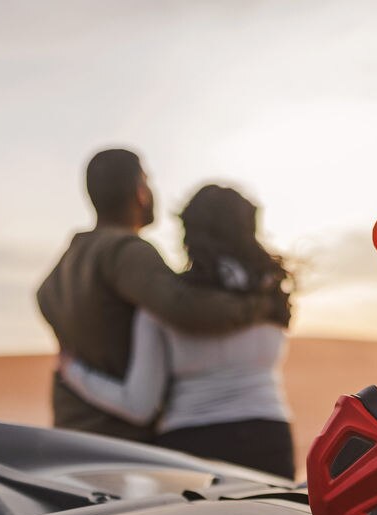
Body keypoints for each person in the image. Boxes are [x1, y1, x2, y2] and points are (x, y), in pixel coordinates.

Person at [37, 149, 282, 442]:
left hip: (71, 427)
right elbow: (185, 309)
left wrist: (75, 372)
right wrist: (262, 305)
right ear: (140, 192)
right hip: (121, 437)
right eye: (148, 181)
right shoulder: (126, 251)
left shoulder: (62, 268)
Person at [58, 184, 295, 478]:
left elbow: (138, 405)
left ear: (188, 234)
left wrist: (76, 373)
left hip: (190, 447)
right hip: (269, 436)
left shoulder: (163, 305)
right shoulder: (270, 294)